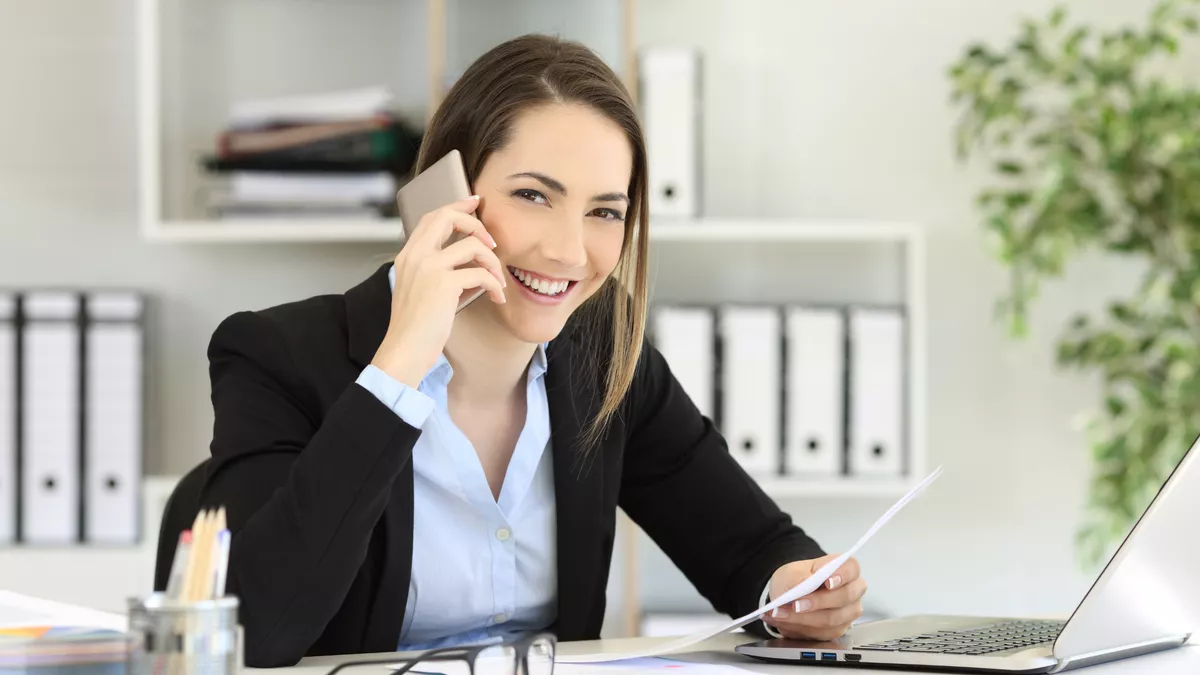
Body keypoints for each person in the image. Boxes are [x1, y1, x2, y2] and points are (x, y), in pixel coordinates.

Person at [199, 34, 867, 668]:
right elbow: (256, 629)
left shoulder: (602, 352)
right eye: (533, 195)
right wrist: (399, 363)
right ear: (444, 190)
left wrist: (800, 590)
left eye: (605, 211)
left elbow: (750, 546)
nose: (569, 252)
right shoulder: (275, 357)